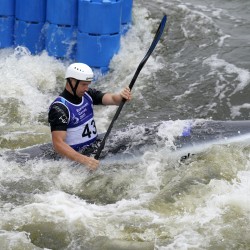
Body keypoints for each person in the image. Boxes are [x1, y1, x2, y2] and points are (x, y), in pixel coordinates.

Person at [48, 63, 132, 170]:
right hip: (76, 158)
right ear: (71, 81)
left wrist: (121, 97)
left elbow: (113, 99)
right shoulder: (59, 109)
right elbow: (58, 144)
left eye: (88, 84)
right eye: (83, 84)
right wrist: (84, 160)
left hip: (93, 148)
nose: (86, 88)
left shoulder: (88, 94)